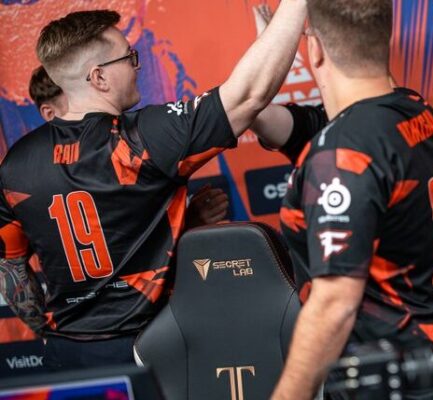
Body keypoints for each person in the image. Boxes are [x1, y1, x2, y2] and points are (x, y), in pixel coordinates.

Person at [0, 0, 306, 370]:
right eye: (128, 57)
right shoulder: (141, 140)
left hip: (67, 357)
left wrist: (46, 330)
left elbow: (12, 271)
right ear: (99, 78)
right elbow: (249, 94)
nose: (137, 66)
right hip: (151, 350)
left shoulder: (14, 164)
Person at [268, 1, 433, 399]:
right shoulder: (416, 108)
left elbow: (334, 306)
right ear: (385, 40)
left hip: (405, 383)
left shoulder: (343, 154)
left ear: (314, 50)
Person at [28, 65, 230, 229]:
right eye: (77, 102)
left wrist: (186, 219)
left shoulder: (127, 146)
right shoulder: (25, 176)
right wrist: (189, 221)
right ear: (49, 114)